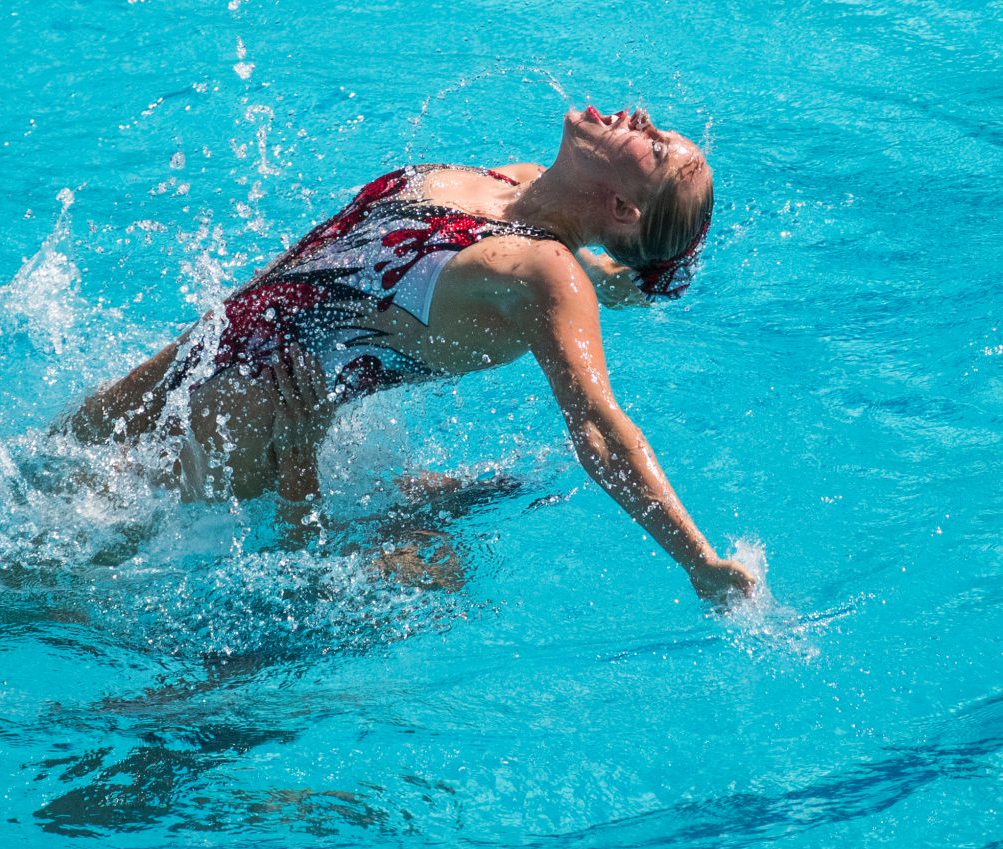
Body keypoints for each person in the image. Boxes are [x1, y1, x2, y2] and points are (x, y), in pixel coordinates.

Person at [57, 105, 756, 604]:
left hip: (252, 418)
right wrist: (622, 283)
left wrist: (699, 560)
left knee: (48, 586)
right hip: (200, 351)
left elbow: (599, 425)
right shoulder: (510, 186)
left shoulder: (550, 276)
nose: (641, 116)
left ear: (625, 212)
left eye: (656, 145)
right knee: (46, 476)